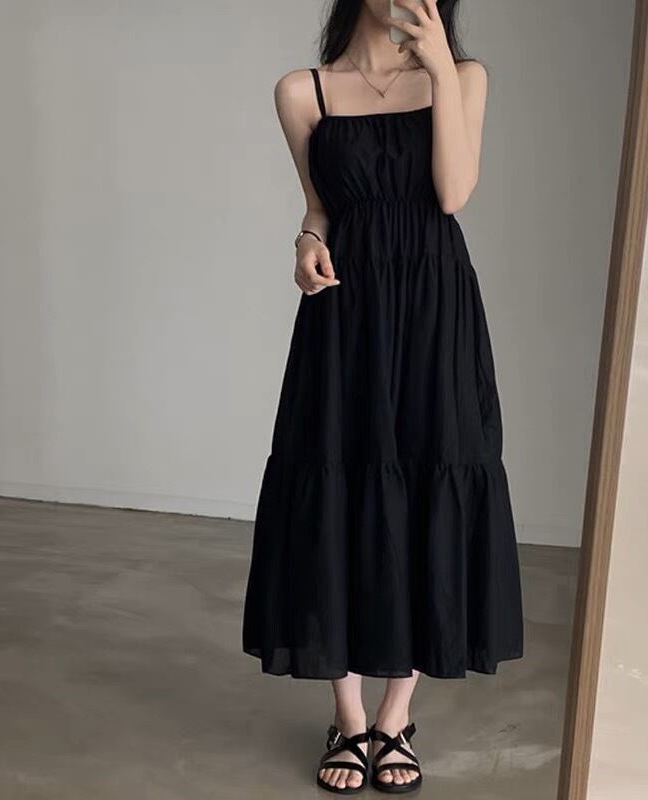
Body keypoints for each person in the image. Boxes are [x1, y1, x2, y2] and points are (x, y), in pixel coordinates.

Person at [242, 0, 523, 793]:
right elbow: (320, 206)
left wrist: (437, 66)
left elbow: (453, 193)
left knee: (432, 475)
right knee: (338, 479)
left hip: (436, 306)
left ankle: (396, 715)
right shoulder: (302, 92)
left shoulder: (463, 76)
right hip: (347, 312)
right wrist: (306, 242)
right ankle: (348, 716)